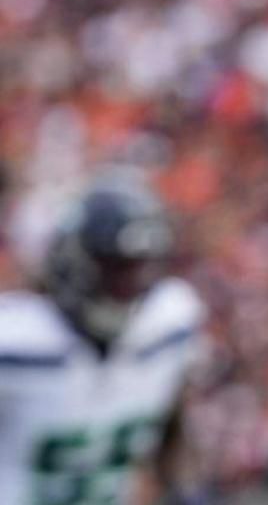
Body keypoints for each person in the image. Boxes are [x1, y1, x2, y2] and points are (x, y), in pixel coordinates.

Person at [0, 175, 207, 505]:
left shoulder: (167, 327)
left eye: (140, 267)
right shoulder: (18, 345)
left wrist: (184, 491)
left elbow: (172, 424)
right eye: (115, 266)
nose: (129, 284)